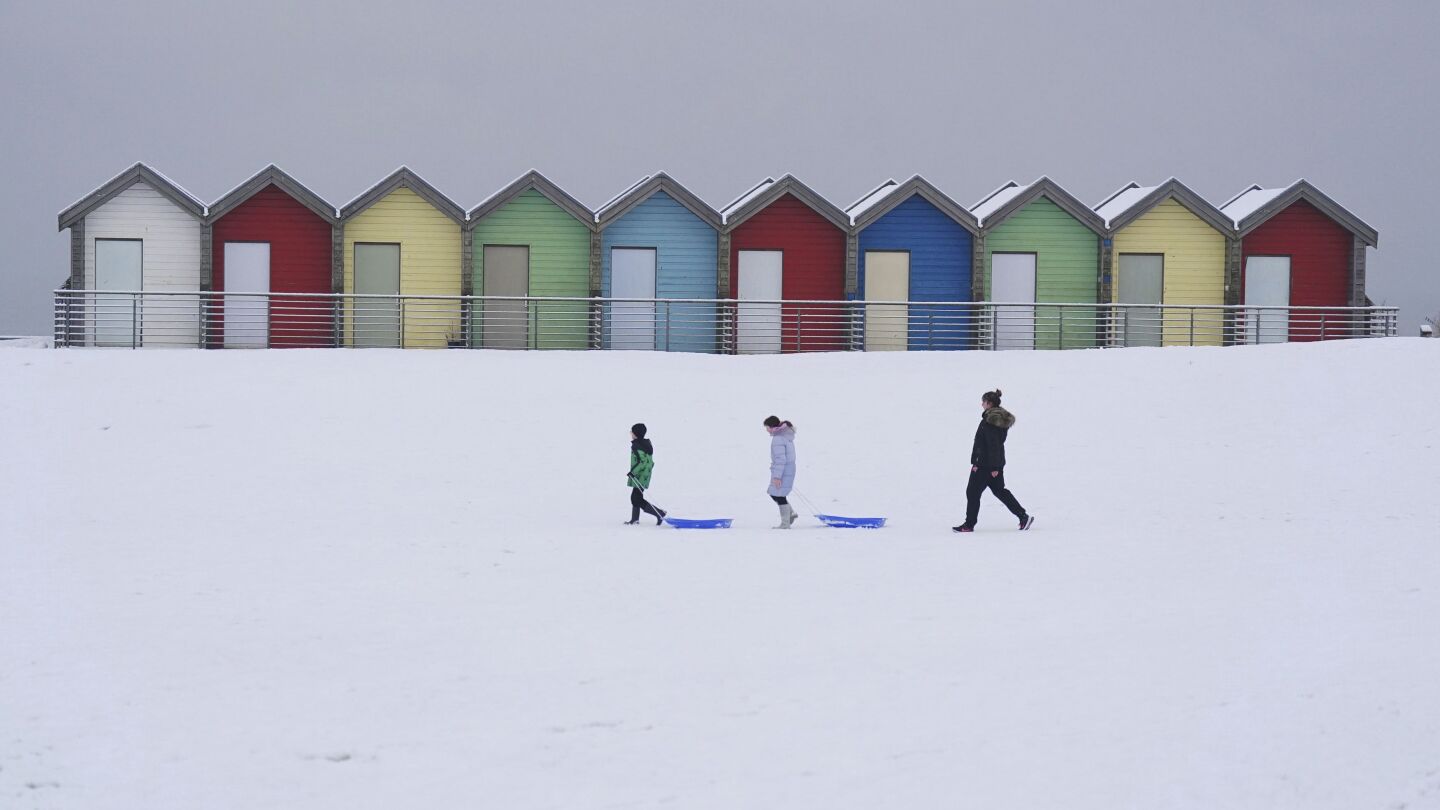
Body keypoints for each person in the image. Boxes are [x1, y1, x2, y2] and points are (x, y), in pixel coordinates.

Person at [953, 389, 1034, 533]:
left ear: (989, 403)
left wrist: (990, 466)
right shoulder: (995, 419)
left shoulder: (990, 421)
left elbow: (993, 445)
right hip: (992, 465)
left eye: (983, 402)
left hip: (985, 465)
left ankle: (969, 525)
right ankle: (1023, 516)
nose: (981, 404)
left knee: (972, 492)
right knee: (1000, 491)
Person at [625, 423, 666, 526]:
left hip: (639, 476)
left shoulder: (636, 446)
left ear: (636, 434)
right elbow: (649, 462)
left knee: (636, 498)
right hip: (644, 475)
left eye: (632, 432)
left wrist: (633, 472)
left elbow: (642, 462)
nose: (631, 433)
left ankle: (659, 513)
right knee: (636, 497)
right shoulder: (645, 444)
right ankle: (635, 519)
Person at [764, 415, 798, 529]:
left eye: (767, 427)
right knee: (776, 494)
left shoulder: (778, 438)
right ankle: (790, 514)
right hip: (787, 469)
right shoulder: (785, 436)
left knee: (778, 495)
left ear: (772, 426)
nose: (766, 430)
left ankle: (785, 523)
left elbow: (780, 459)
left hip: (782, 471)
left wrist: (777, 476)